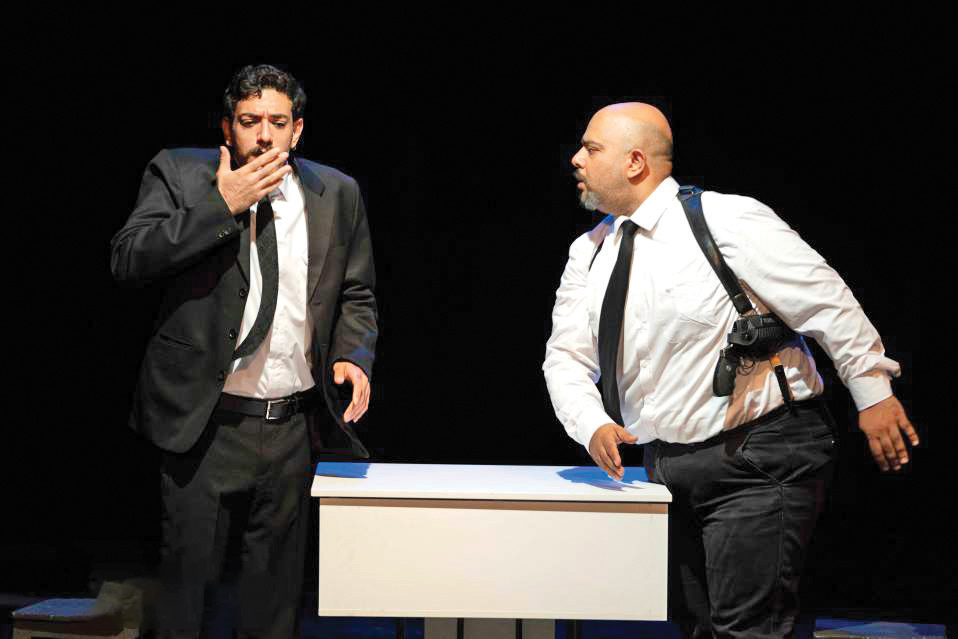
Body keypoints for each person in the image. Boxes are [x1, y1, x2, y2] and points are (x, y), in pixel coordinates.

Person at [542, 103, 917, 638]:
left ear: (634, 162)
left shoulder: (723, 219)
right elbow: (565, 356)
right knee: (699, 626)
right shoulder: (590, 252)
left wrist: (873, 393)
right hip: (666, 467)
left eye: (591, 148)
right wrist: (591, 422)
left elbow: (825, 301)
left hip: (759, 454)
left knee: (747, 629)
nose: (576, 159)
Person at [111, 64, 378, 638]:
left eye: (277, 122)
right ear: (228, 127)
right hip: (203, 422)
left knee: (274, 600)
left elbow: (357, 292)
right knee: (186, 595)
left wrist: (353, 354)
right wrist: (221, 204)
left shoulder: (337, 192)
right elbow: (130, 258)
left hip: (290, 424)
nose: (263, 135)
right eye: (250, 120)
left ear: (297, 130)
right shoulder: (180, 173)